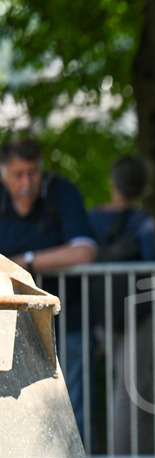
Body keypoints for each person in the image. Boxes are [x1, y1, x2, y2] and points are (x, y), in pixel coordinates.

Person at [0, 137, 96, 438]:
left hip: (66, 321)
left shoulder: (61, 192)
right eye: (18, 174)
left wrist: (26, 262)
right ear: (3, 174)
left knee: (73, 407)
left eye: (33, 173)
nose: (26, 182)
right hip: (9, 328)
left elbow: (85, 252)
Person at [89, 154, 155, 458]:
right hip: (138, 314)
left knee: (122, 394)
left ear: (112, 182)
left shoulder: (90, 220)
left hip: (103, 313)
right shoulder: (143, 222)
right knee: (134, 395)